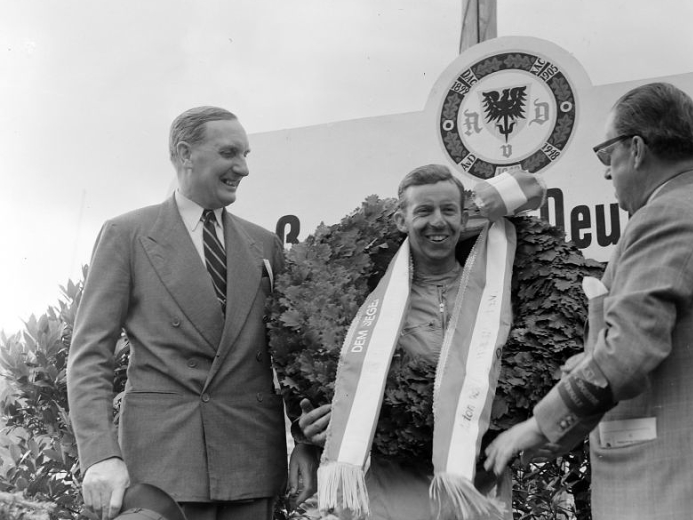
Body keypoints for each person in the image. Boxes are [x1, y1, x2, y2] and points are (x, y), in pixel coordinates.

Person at [484, 82, 693, 519]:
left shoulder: (667, 218)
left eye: (605, 154)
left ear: (635, 149)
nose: (607, 172)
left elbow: (627, 351)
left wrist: (538, 426)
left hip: (687, 493)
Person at [66, 106, 317, 520]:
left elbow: (290, 358)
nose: (243, 168)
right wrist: (99, 455)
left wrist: (304, 441)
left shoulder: (264, 244)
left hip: (250, 460)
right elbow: (90, 355)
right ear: (185, 154)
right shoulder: (126, 235)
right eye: (230, 153)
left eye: (247, 155)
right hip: (163, 463)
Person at [295, 164, 545, 520]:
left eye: (448, 210)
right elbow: (332, 385)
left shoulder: (501, 291)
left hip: (478, 489)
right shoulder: (367, 301)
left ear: (464, 218)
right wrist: (308, 431)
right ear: (401, 220)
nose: (437, 222)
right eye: (423, 211)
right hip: (390, 493)